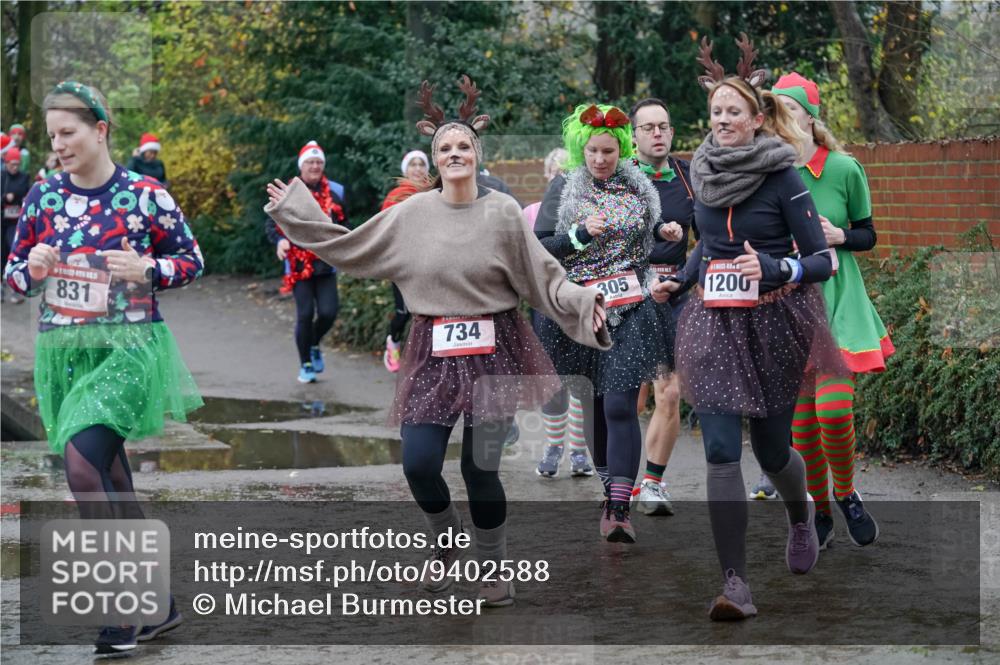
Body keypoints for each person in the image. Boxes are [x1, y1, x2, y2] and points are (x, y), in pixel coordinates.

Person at [265, 76, 609, 607]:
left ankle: (493, 568)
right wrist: (297, 210)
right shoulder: (412, 214)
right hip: (431, 349)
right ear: (434, 159)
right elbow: (350, 245)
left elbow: (544, 276)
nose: (454, 154)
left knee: (480, 468)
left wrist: (584, 303)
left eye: (463, 146)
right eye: (445, 148)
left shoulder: (502, 213)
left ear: (477, 155)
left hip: (496, 349)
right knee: (419, 463)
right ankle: (446, 542)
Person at [4, 81, 203, 653]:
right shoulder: (42, 196)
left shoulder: (145, 194)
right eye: (52, 136)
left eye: (68, 133)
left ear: (100, 130)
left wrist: (148, 270)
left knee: (82, 467)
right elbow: (13, 277)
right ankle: (160, 606)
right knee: (113, 477)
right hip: (65, 355)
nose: (59, 145)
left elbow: (191, 260)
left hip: (129, 350)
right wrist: (32, 270)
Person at [652, 36, 846, 620]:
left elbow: (822, 260)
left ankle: (801, 513)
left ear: (757, 118)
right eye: (715, 111)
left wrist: (779, 268)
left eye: (733, 111)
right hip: (712, 322)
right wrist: (680, 281)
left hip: (774, 321)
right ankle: (734, 584)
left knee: (771, 449)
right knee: (718, 449)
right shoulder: (702, 172)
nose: (722, 120)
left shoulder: (783, 176)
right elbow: (707, 245)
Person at [533, 103, 681, 542]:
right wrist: (579, 236)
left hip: (633, 305)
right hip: (583, 310)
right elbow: (539, 249)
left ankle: (619, 507)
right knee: (595, 404)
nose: (600, 159)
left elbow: (645, 229)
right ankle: (607, 483)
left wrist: (663, 232)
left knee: (619, 404)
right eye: (593, 151)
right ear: (582, 149)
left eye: (609, 152)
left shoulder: (639, 185)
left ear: (623, 150)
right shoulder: (565, 186)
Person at [772, 72, 891, 548]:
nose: (780, 119)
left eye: (789, 109)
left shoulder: (844, 169)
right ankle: (820, 509)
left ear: (809, 118)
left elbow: (868, 233)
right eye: (774, 110)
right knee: (801, 427)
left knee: (836, 411)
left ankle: (846, 494)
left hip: (840, 300)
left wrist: (840, 235)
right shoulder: (770, 174)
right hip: (790, 304)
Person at [627, 97, 697, 517]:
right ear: (633, 135)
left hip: (674, 294)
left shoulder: (688, 178)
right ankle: (619, 480)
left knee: (669, 392)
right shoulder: (619, 178)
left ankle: (652, 483)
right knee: (629, 403)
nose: (657, 134)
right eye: (648, 127)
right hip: (627, 296)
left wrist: (684, 278)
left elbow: (708, 238)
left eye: (664, 126)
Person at [525, 147, 593, 479]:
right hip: (547, 303)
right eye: (556, 171)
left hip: (583, 298)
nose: (561, 178)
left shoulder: (590, 207)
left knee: (580, 378)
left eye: (568, 171)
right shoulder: (530, 213)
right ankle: (554, 447)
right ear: (547, 175)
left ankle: (579, 452)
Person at [265, 140, 347, 383]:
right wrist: (280, 240)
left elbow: (345, 223)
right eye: (310, 162)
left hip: (326, 260)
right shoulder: (289, 190)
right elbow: (272, 222)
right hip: (299, 264)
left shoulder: (336, 191)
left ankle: (313, 343)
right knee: (305, 314)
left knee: (329, 312)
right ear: (301, 165)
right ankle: (306, 364)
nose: (315, 166)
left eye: (319, 162)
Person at [381, 149, 431, 373]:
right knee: (403, 312)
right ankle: (393, 342)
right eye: (413, 164)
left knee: (426, 312)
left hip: (429, 262)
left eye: (421, 164)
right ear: (405, 170)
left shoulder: (436, 194)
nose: (418, 168)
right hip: (402, 263)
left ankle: (421, 358)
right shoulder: (396, 196)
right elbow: (384, 229)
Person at [2, 147, 32, 303]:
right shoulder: (1, 176)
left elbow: (28, 195)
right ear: (6, 163)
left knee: (14, 252)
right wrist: (4, 198)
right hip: (2, 220)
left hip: (16, 221)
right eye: (12, 164)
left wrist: (20, 200)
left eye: (17, 164)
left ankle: (15, 290)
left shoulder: (24, 177)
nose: (14, 167)